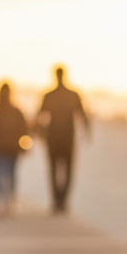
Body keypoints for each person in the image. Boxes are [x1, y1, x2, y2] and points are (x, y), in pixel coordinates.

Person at [38, 66, 89, 213]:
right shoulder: (71, 95)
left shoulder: (51, 95)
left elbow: (40, 116)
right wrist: (86, 131)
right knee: (64, 171)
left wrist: (41, 132)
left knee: (56, 171)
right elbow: (82, 115)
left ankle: (59, 202)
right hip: (64, 138)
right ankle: (61, 202)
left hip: (56, 138)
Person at [0, 82, 30, 218]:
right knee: (9, 174)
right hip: (8, 149)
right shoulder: (11, 111)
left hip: (6, 149)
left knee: (3, 174)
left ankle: (5, 202)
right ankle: (8, 201)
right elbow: (24, 130)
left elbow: (23, 130)